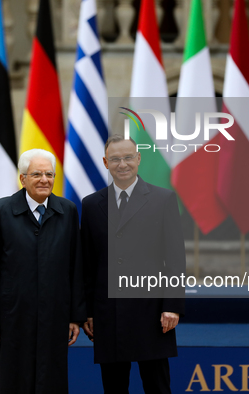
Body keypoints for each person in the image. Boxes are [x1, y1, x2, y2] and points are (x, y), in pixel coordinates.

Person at [81, 135, 186, 394]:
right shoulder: (92, 204)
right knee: (114, 388)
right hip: (108, 314)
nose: (122, 164)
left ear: (138, 159)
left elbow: (175, 258)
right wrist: (87, 312)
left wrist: (171, 305)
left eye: (128, 157)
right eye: (115, 159)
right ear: (105, 163)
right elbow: (87, 263)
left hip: (151, 313)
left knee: (157, 386)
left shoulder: (163, 199)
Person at [0, 148, 86, 394]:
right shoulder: (0, 211)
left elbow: (75, 266)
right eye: (36, 174)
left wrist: (75, 316)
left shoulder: (67, 211)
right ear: (23, 178)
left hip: (54, 319)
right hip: (11, 318)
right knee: (13, 383)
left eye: (49, 174)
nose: (44, 180)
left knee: (51, 383)